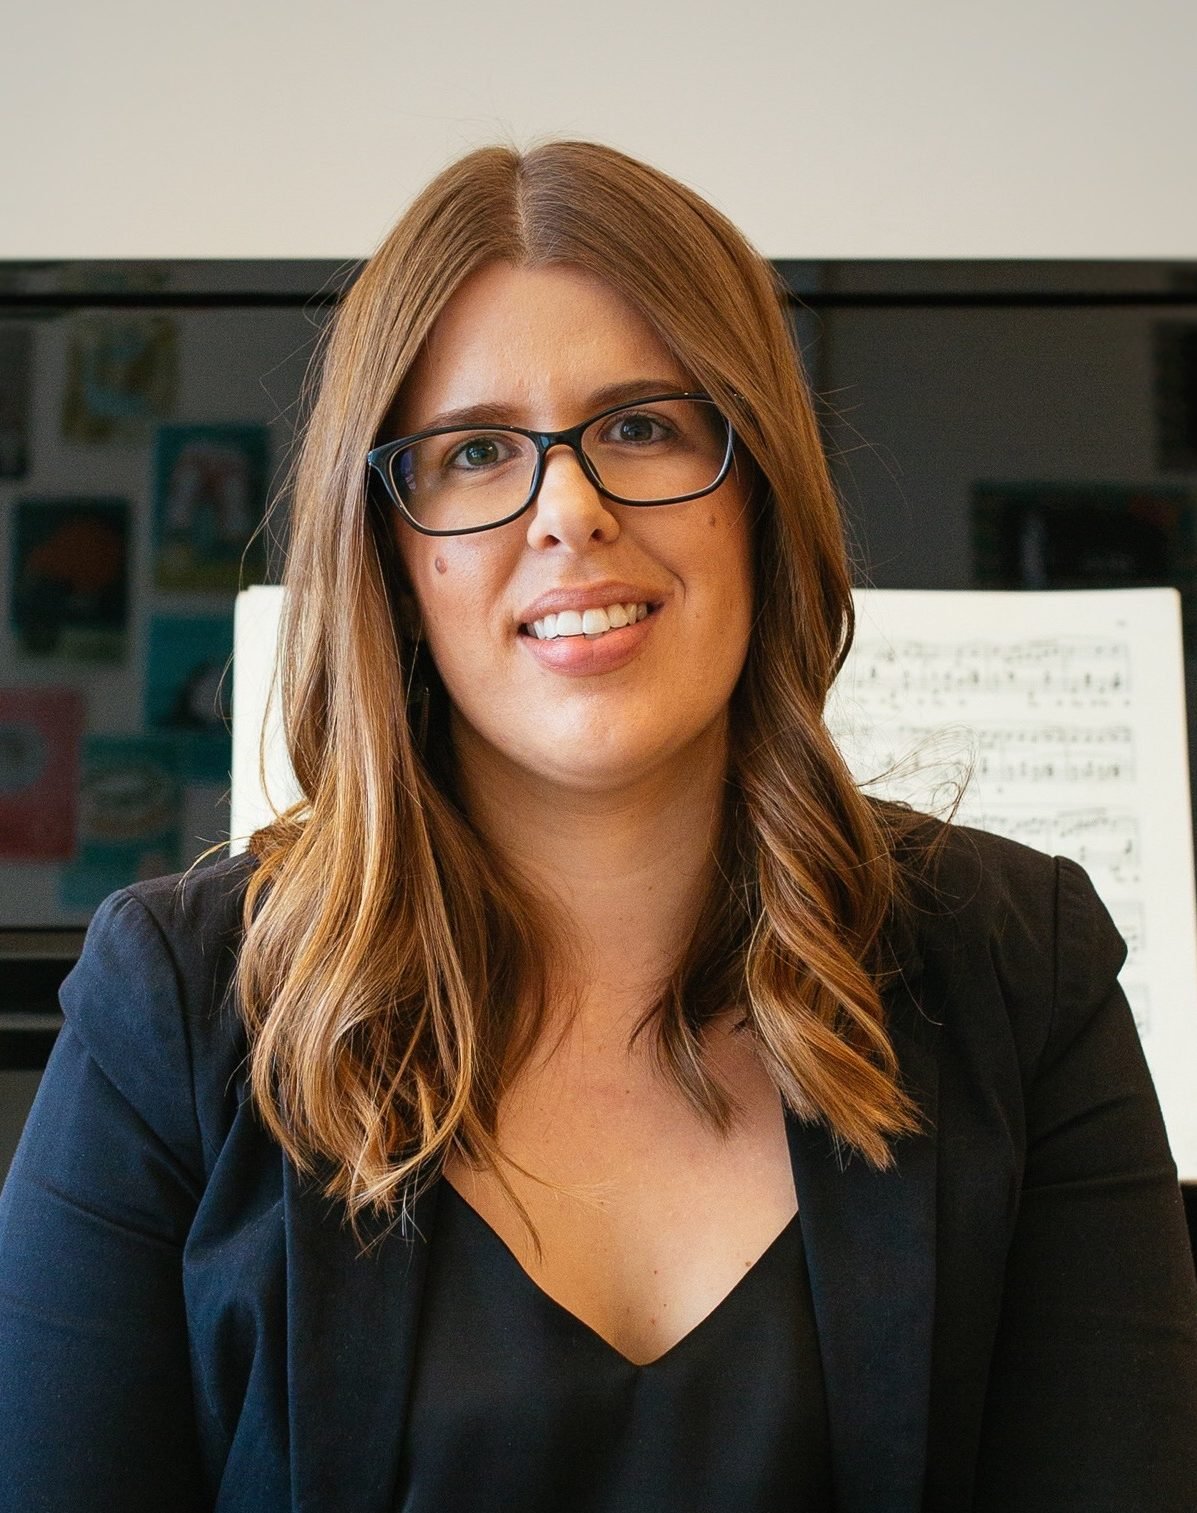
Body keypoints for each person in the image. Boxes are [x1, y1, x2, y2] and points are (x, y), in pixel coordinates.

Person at [1, 139, 1195, 1513]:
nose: (568, 510)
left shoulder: (1018, 967)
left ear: (757, 489)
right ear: (390, 551)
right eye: (474, 452)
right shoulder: (175, 1003)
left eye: (642, 426)